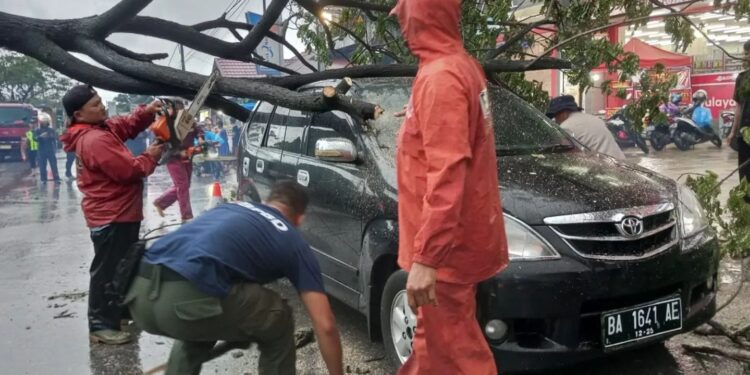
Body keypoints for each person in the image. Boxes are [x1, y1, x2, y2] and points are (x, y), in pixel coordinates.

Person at [390, 1, 509, 373]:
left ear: (424, 15)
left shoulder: (441, 78)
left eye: (405, 15)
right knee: (435, 349)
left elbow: (448, 174)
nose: (401, 24)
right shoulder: (459, 66)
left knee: (457, 358)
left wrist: (427, 259)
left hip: (446, 257)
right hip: (454, 248)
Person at [126, 181, 343, 375]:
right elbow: (325, 325)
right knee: (279, 316)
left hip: (138, 295)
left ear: (267, 201)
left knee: (207, 305)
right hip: (183, 302)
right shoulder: (292, 240)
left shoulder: (230, 208)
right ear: (300, 218)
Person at [59, 84, 165, 345]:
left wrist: (147, 112)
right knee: (108, 271)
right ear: (79, 115)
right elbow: (128, 171)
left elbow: (125, 124)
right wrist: (151, 155)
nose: (102, 107)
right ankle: (100, 325)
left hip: (120, 212)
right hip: (112, 214)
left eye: (100, 101)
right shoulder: (94, 139)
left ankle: (118, 312)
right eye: (95, 105)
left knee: (122, 265)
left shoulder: (99, 128)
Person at [154, 100, 203, 222]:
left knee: (185, 185)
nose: (182, 112)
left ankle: (160, 202)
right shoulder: (166, 123)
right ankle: (186, 216)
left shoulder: (187, 120)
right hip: (173, 158)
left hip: (188, 156)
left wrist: (200, 138)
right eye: (179, 109)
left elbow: (198, 129)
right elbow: (163, 145)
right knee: (182, 186)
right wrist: (178, 152)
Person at [546, 95, 626, 160]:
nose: (556, 121)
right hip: (621, 164)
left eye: (556, 117)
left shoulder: (566, 127)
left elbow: (569, 156)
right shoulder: (594, 119)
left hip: (604, 170)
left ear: (563, 113)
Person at [728, 40, 750, 185]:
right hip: (744, 133)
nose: (745, 56)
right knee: (745, 173)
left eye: (747, 53)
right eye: (744, 53)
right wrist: (733, 132)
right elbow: (739, 107)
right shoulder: (742, 78)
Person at [34, 115, 61, 182]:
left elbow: (55, 138)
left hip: (50, 149)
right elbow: (35, 139)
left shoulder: (51, 130)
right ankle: (43, 179)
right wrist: (40, 136)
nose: (44, 123)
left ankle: (57, 178)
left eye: (46, 121)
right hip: (41, 150)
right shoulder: (37, 130)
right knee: (42, 165)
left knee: (54, 165)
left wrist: (51, 136)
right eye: (43, 121)